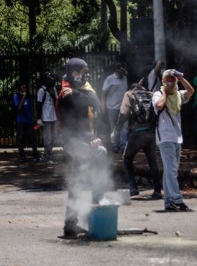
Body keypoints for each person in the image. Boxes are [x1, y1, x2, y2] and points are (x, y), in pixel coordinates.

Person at [57, 57, 108, 238]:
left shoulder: (79, 89)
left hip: (82, 138)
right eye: (84, 72)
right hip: (72, 140)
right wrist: (89, 139)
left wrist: (91, 138)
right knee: (99, 155)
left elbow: (94, 102)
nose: (87, 75)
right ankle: (97, 197)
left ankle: (70, 225)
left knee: (77, 181)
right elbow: (73, 124)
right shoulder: (65, 92)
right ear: (74, 73)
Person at [111, 83, 162, 199]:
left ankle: (133, 188)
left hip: (137, 134)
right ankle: (158, 190)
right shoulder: (152, 94)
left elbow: (124, 112)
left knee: (127, 158)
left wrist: (116, 130)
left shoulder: (129, 94)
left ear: (131, 88)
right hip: (151, 133)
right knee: (153, 162)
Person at [153, 69, 194, 211]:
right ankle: (177, 199)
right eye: (168, 79)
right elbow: (158, 106)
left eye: (173, 79)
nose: (171, 82)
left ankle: (168, 202)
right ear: (164, 81)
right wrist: (165, 91)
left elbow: (190, 91)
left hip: (177, 137)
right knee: (171, 170)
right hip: (165, 137)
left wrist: (181, 78)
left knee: (171, 170)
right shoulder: (158, 94)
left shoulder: (178, 95)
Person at [101, 62, 128, 152]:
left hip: (123, 107)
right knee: (114, 128)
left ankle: (123, 146)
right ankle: (115, 146)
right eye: (121, 68)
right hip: (112, 108)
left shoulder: (125, 78)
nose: (123, 70)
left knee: (124, 127)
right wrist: (103, 105)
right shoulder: (110, 79)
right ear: (117, 70)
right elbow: (104, 93)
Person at [36, 70, 58, 164]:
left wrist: (53, 94)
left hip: (54, 117)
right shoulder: (41, 90)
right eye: (50, 80)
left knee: (53, 138)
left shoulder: (54, 89)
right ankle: (48, 157)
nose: (51, 82)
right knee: (47, 138)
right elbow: (38, 105)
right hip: (46, 118)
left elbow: (56, 102)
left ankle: (47, 154)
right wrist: (39, 118)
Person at [14, 82, 39, 162]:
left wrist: (35, 118)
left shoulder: (29, 97)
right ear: (19, 88)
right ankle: (22, 156)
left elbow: (32, 108)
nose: (24, 89)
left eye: (25, 87)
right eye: (22, 87)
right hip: (20, 120)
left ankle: (35, 155)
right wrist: (23, 97)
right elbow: (19, 108)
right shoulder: (16, 96)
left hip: (29, 120)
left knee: (33, 137)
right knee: (20, 138)